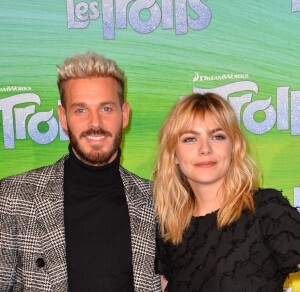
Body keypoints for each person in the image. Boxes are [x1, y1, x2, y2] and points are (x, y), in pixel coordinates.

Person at [0, 52, 161, 292]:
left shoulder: (157, 200)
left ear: (124, 114)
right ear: (63, 118)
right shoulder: (12, 197)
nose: (95, 123)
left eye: (106, 109)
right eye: (81, 111)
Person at [153, 92, 300, 292]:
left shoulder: (265, 209)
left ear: (233, 147)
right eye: (190, 139)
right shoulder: (169, 230)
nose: (205, 148)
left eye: (217, 136)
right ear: (174, 155)